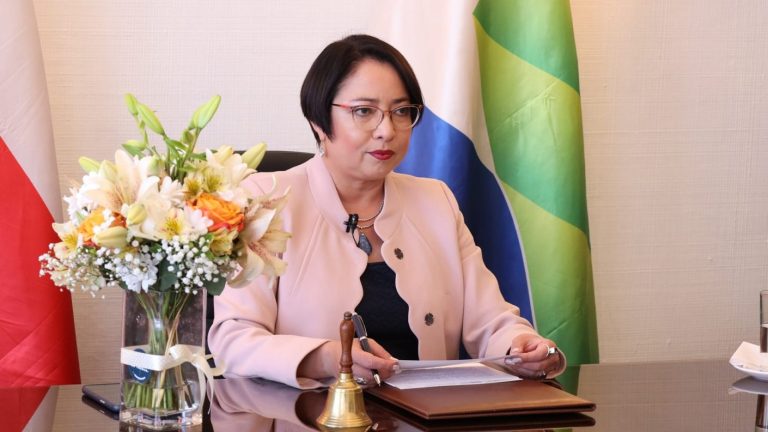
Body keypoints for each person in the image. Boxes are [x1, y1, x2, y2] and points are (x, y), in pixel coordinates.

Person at [208, 34, 565, 389]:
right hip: (311, 413)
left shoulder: (435, 201)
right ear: (318, 119)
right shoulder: (267, 200)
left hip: (428, 412)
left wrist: (520, 345)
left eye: (401, 111)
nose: (387, 130)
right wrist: (326, 358)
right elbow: (233, 340)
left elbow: (491, 321)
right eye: (364, 111)